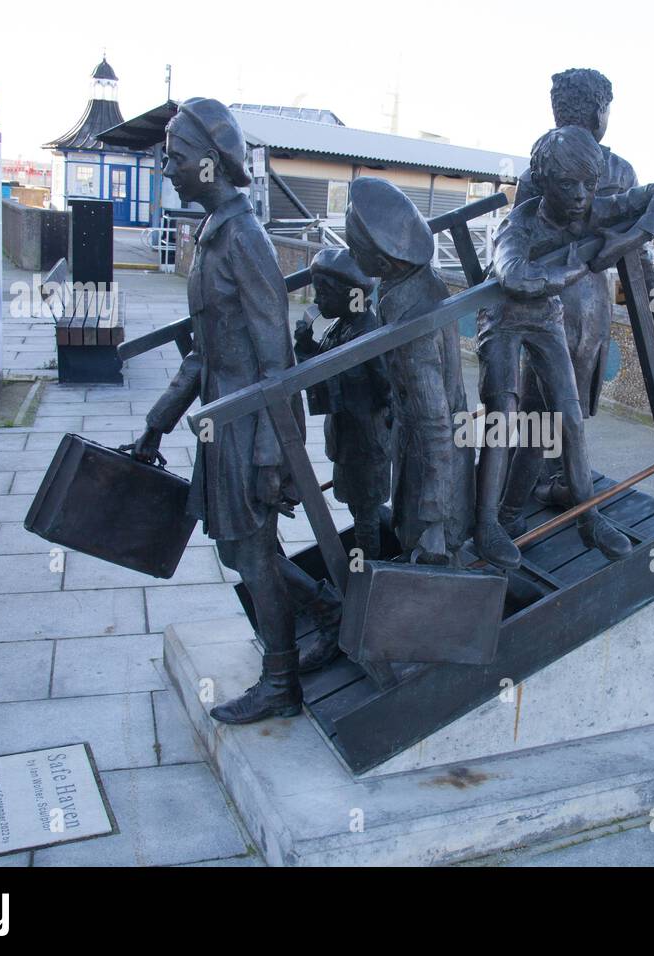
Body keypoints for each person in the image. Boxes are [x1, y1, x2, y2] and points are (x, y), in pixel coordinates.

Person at [128, 98, 339, 725]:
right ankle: (325, 611)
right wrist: (157, 422)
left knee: (250, 553)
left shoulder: (244, 240)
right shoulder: (213, 235)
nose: (167, 168)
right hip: (225, 421)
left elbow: (278, 361)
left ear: (210, 163)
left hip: (251, 428)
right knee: (238, 553)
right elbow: (204, 351)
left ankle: (281, 682)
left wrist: (274, 456)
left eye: (175, 157)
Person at [475, 126, 654, 570]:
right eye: (568, 185)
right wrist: (580, 263)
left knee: (567, 415)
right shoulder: (518, 226)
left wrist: (632, 235)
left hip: (546, 317)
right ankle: (487, 523)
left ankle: (587, 517)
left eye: (589, 185)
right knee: (504, 416)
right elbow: (515, 277)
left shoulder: (593, 208)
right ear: (542, 182)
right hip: (504, 318)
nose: (580, 196)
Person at [509, 68, 654, 512]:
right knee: (570, 402)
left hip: (540, 297)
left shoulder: (538, 167)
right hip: (585, 303)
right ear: (600, 112)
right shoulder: (618, 170)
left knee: (539, 400)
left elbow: (519, 238)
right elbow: (640, 253)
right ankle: (560, 483)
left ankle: (543, 479)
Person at [345, 176, 474, 565]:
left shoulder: (414, 326)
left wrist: (434, 520)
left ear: (384, 263)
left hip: (431, 464)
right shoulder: (412, 282)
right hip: (422, 446)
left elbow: (436, 425)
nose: (351, 255)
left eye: (355, 249)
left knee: (429, 552)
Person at [294, 248, 392, 561]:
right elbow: (323, 369)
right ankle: (376, 554)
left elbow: (387, 383)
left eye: (324, 293)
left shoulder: (368, 332)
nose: (317, 300)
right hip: (347, 438)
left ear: (351, 295)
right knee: (358, 506)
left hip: (367, 440)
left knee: (365, 512)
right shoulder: (341, 326)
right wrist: (306, 346)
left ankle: (370, 567)